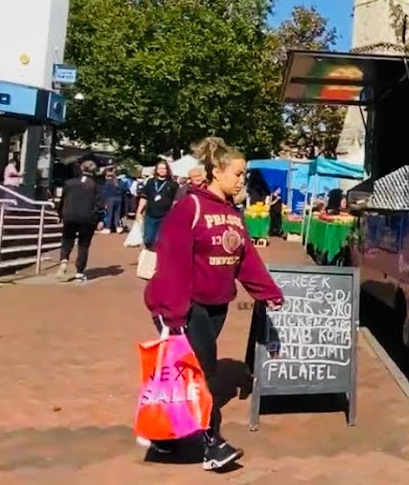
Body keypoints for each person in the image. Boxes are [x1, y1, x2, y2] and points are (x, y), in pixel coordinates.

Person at [144, 137, 284, 471]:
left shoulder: (233, 214)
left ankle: (164, 438)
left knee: (183, 373)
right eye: (237, 173)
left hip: (217, 305)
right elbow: (172, 263)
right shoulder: (189, 208)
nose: (241, 180)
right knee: (201, 373)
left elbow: (246, 259)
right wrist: (174, 313)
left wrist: (268, 292)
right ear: (216, 171)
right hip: (186, 306)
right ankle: (212, 445)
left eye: (244, 174)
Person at [57, 160, 102, 283]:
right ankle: (79, 271)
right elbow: (99, 204)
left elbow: (62, 200)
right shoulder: (95, 186)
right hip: (88, 219)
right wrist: (100, 219)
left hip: (70, 216)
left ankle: (64, 259)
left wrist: (60, 214)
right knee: (84, 245)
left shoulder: (69, 183)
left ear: (81, 169)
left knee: (67, 239)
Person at [136, 160, 178, 251]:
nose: (162, 170)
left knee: (160, 240)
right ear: (156, 170)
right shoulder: (150, 182)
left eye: (164, 168)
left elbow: (175, 201)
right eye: (160, 168)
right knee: (149, 238)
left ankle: (157, 259)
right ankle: (148, 250)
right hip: (150, 215)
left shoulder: (173, 184)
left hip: (165, 216)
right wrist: (139, 211)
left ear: (167, 170)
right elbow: (144, 198)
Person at [99, 169, 125, 234]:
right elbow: (123, 190)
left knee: (109, 214)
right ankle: (117, 227)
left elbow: (104, 192)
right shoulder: (119, 182)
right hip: (119, 199)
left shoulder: (107, 183)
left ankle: (107, 227)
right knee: (117, 214)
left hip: (110, 199)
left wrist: (104, 201)